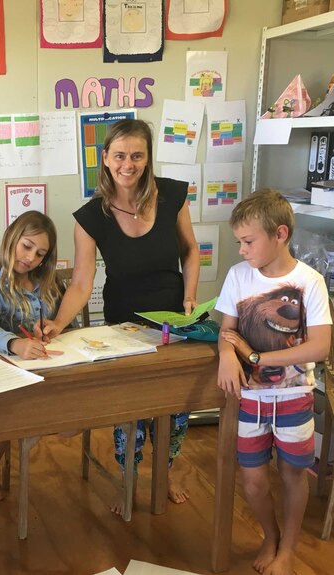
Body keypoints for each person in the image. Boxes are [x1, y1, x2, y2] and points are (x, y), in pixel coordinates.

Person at [41, 119, 201, 514]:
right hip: (122, 323)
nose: (128, 164)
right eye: (120, 156)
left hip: (172, 321)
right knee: (127, 412)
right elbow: (81, 282)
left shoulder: (173, 196)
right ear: (106, 160)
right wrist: (59, 323)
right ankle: (127, 479)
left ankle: (163, 475)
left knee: (175, 412)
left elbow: (191, 251)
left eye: (137, 155)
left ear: (147, 159)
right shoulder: (91, 217)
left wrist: (191, 298)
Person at [215, 190, 331, 575]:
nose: (242, 250)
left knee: (292, 474)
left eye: (249, 242)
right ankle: (271, 534)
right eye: (239, 242)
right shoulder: (238, 276)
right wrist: (227, 356)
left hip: (294, 396)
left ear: (280, 234)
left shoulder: (310, 282)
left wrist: (255, 358)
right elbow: (226, 332)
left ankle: (289, 548)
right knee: (252, 482)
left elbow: (319, 348)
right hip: (250, 399)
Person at [0, 211, 62, 501]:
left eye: (40, 254)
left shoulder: (49, 287)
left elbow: (61, 322)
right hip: (7, 382)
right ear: (11, 239)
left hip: (48, 374)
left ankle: (30, 428)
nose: (31, 257)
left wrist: (52, 327)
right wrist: (14, 343)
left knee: (72, 425)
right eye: (27, 246)